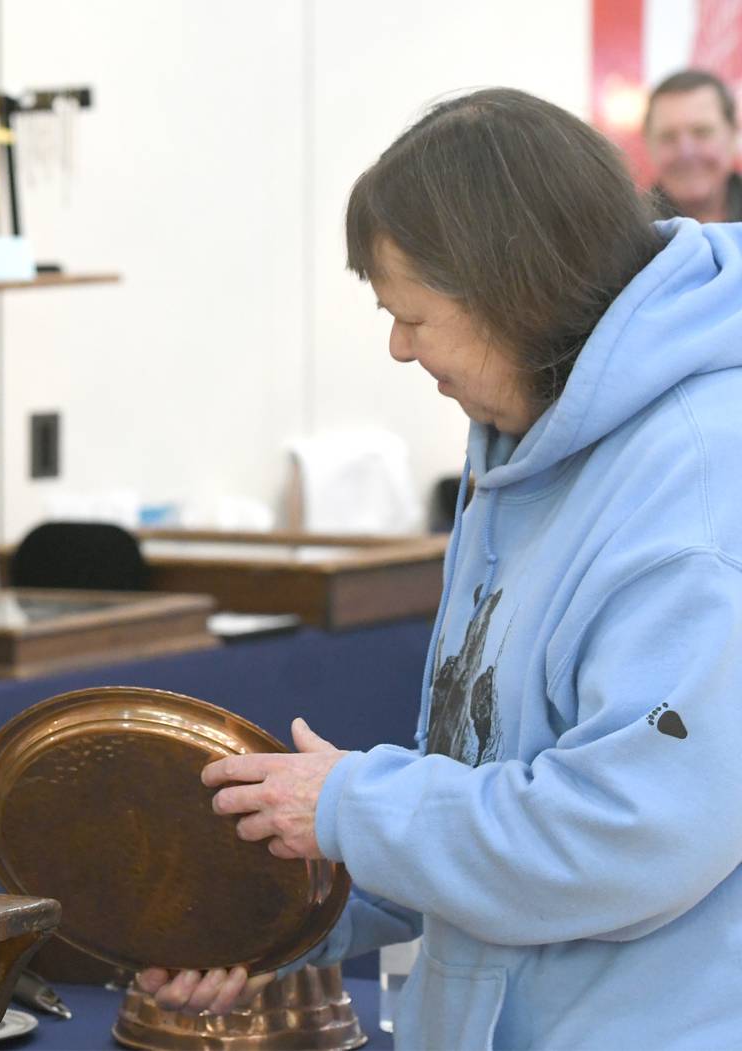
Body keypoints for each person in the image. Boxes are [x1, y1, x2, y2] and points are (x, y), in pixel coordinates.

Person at [142, 87, 742, 1049]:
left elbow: (628, 839)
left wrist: (351, 804)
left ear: (512, 288)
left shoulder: (700, 493)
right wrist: (289, 918)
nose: (397, 346)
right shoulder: (523, 434)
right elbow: (480, 777)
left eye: (413, 315)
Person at [645, 68, 742, 222]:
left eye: (701, 132)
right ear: (649, 145)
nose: (686, 152)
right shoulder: (626, 234)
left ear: (732, 136)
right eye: (668, 137)